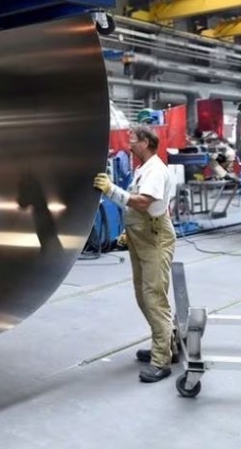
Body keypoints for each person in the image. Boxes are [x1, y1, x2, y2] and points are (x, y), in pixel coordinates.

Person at [94, 124, 177, 383]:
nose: (128, 146)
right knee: (144, 295)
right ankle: (167, 344)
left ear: (146, 143)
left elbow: (142, 202)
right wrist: (128, 234)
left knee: (154, 298)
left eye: (132, 141)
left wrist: (111, 191)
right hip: (142, 238)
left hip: (154, 240)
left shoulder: (154, 170)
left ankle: (161, 361)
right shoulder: (143, 169)